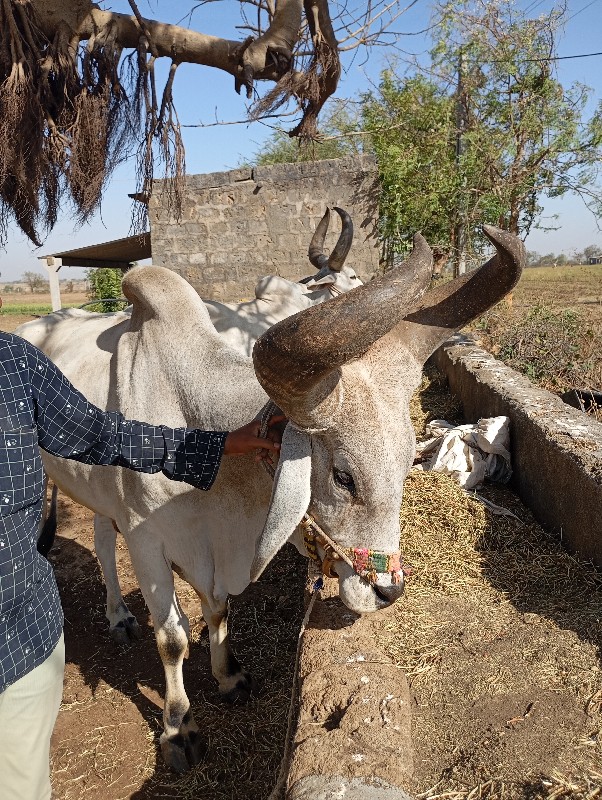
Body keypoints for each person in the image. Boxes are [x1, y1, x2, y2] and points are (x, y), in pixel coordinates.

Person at [0, 329, 283, 800]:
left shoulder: (10, 361)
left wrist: (220, 445)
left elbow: (99, 434)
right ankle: (175, 705)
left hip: (23, 640)